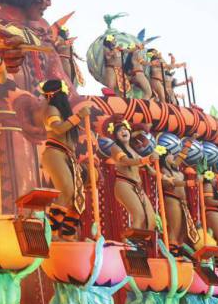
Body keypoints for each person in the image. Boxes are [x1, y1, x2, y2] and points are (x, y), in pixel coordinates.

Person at [38, 79, 92, 239]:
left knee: (76, 195)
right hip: (54, 153)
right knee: (67, 190)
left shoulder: (60, 111)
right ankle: (51, 233)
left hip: (67, 155)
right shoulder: (51, 109)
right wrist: (78, 117)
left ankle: (68, 234)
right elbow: (58, 129)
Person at [103, 117, 156, 233]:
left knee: (151, 220)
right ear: (116, 136)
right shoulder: (115, 148)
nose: (123, 132)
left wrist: (166, 178)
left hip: (137, 187)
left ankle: (143, 245)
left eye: (125, 129)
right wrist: (146, 159)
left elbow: (151, 171)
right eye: (119, 131)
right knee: (139, 215)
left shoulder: (134, 151)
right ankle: (132, 247)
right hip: (124, 184)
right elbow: (125, 161)